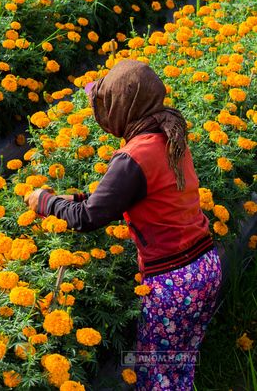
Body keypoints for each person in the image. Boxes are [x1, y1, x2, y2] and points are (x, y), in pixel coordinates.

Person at [25, 59, 221, 391]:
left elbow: (88, 218)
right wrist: (74, 199)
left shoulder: (135, 155)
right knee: (179, 365)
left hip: (173, 283)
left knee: (155, 374)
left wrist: (44, 202)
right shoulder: (168, 132)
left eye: (105, 105)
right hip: (205, 268)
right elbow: (130, 196)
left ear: (123, 107)